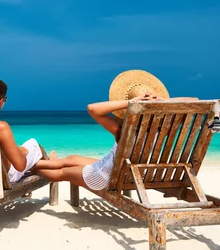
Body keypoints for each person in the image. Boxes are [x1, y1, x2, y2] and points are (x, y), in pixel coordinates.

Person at [31, 70, 198, 190]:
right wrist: (162, 101)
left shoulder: (124, 131)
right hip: (133, 174)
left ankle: (31, 167)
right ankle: (46, 161)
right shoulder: (166, 130)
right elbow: (195, 101)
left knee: (62, 173)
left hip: (108, 177)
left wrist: (131, 102)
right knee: (72, 158)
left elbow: (92, 108)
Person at [0, 78, 47, 184]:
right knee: (34, 145)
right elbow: (20, 166)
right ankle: (49, 163)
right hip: (0, 180)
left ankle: (47, 163)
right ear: (0, 102)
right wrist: (23, 152)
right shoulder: (0, 127)